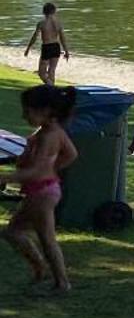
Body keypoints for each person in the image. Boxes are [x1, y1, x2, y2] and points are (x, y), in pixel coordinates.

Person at [4, 85, 78, 292]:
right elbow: (71, 154)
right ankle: (40, 268)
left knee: (47, 239)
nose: (23, 115)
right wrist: (52, 168)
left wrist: (6, 177)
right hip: (43, 189)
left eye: (27, 111)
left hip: (42, 192)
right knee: (13, 232)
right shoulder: (51, 131)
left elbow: (36, 171)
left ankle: (61, 282)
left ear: (45, 111)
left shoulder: (48, 136)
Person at [21, 5, 66, 86]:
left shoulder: (41, 23)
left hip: (47, 47)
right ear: (54, 11)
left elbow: (34, 37)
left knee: (41, 73)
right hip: (56, 46)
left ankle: (51, 87)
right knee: (52, 71)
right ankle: (51, 90)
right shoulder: (58, 23)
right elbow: (63, 38)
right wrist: (66, 51)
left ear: (43, 12)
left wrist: (28, 48)